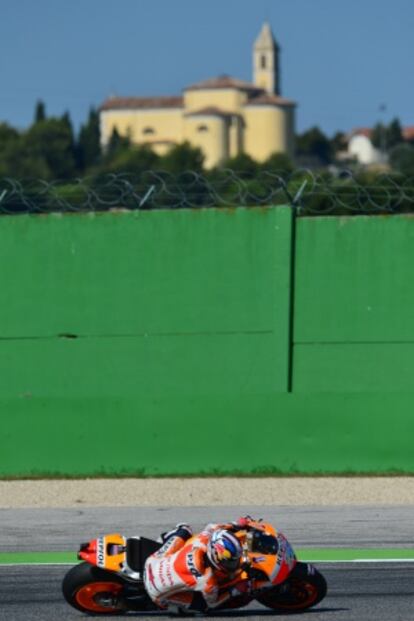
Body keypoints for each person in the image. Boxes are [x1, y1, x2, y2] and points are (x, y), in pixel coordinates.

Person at [143, 520, 250, 613]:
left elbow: (211, 527)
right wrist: (235, 590)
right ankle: (175, 607)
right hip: (156, 594)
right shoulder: (207, 580)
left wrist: (235, 525)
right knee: (203, 607)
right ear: (215, 556)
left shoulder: (201, 542)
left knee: (184, 528)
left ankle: (162, 541)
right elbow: (213, 603)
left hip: (152, 561)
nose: (233, 564)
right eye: (228, 561)